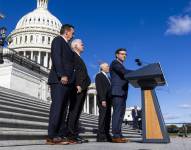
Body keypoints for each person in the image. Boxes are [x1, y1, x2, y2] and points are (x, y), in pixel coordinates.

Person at [47, 24, 76, 145]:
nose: (73, 35)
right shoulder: (58, 40)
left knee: (63, 110)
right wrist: (62, 74)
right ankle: (51, 136)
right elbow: (56, 57)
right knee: (57, 108)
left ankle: (59, 135)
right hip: (59, 80)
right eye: (72, 33)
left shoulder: (67, 45)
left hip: (67, 82)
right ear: (66, 32)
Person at [67, 39, 91, 143]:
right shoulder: (72, 55)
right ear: (75, 46)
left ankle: (74, 134)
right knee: (74, 111)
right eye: (81, 44)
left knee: (77, 112)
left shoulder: (79, 57)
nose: (83, 45)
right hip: (77, 88)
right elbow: (74, 71)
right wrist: (77, 84)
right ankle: (70, 134)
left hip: (83, 87)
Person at [110, 48, 131, 143]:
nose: (124, 56)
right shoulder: (115, 63)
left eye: (125, 54)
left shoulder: (122, 65)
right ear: (117, 55)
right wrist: (137, 72)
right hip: (117, 92)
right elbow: (123, 72)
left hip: (123, 93)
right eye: (122, 54)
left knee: (121, 115)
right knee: (117, 114)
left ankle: (119, 134)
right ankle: (115, 135)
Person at [95, 63, 112, 142]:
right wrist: (102, 99)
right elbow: (99, 88)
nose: (109, 67)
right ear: (102, 68)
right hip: (103, 100)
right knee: (102, 118)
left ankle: (106, 134)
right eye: (107, 66)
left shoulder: (108, 77)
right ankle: (100, 136)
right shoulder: (99, 76)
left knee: (108, 118)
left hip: (109, 100)